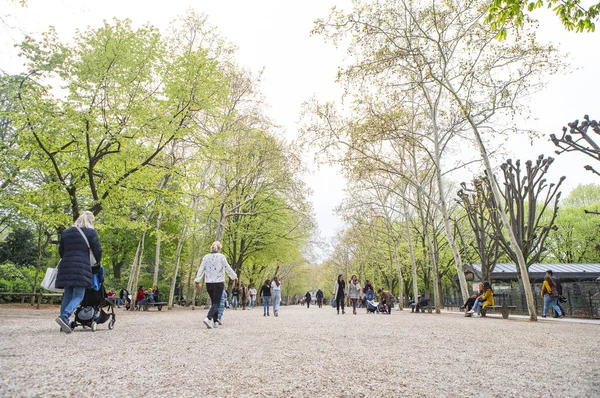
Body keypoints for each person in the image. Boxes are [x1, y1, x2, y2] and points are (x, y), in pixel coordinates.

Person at [54, 211, 102, 333]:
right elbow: (98, 250)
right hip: (82, 266)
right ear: (90, 220)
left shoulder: (66, 232)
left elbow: (61, 251)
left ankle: (63, 324)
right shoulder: (90, 232)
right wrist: (97, 263)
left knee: (68, 293)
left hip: (66, 266)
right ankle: (64, 316)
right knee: (79, 295)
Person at [194, 241, 238, 329]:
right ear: (219, 248)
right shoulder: (221, 257)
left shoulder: (206, 257)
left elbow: (201, 269)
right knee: (216, 303)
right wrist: (234, 277)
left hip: (209, 283)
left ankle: (215, 322)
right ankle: (208, 318)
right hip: (219, 283)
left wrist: (197, 281)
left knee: (214, 302)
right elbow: (227, 268)